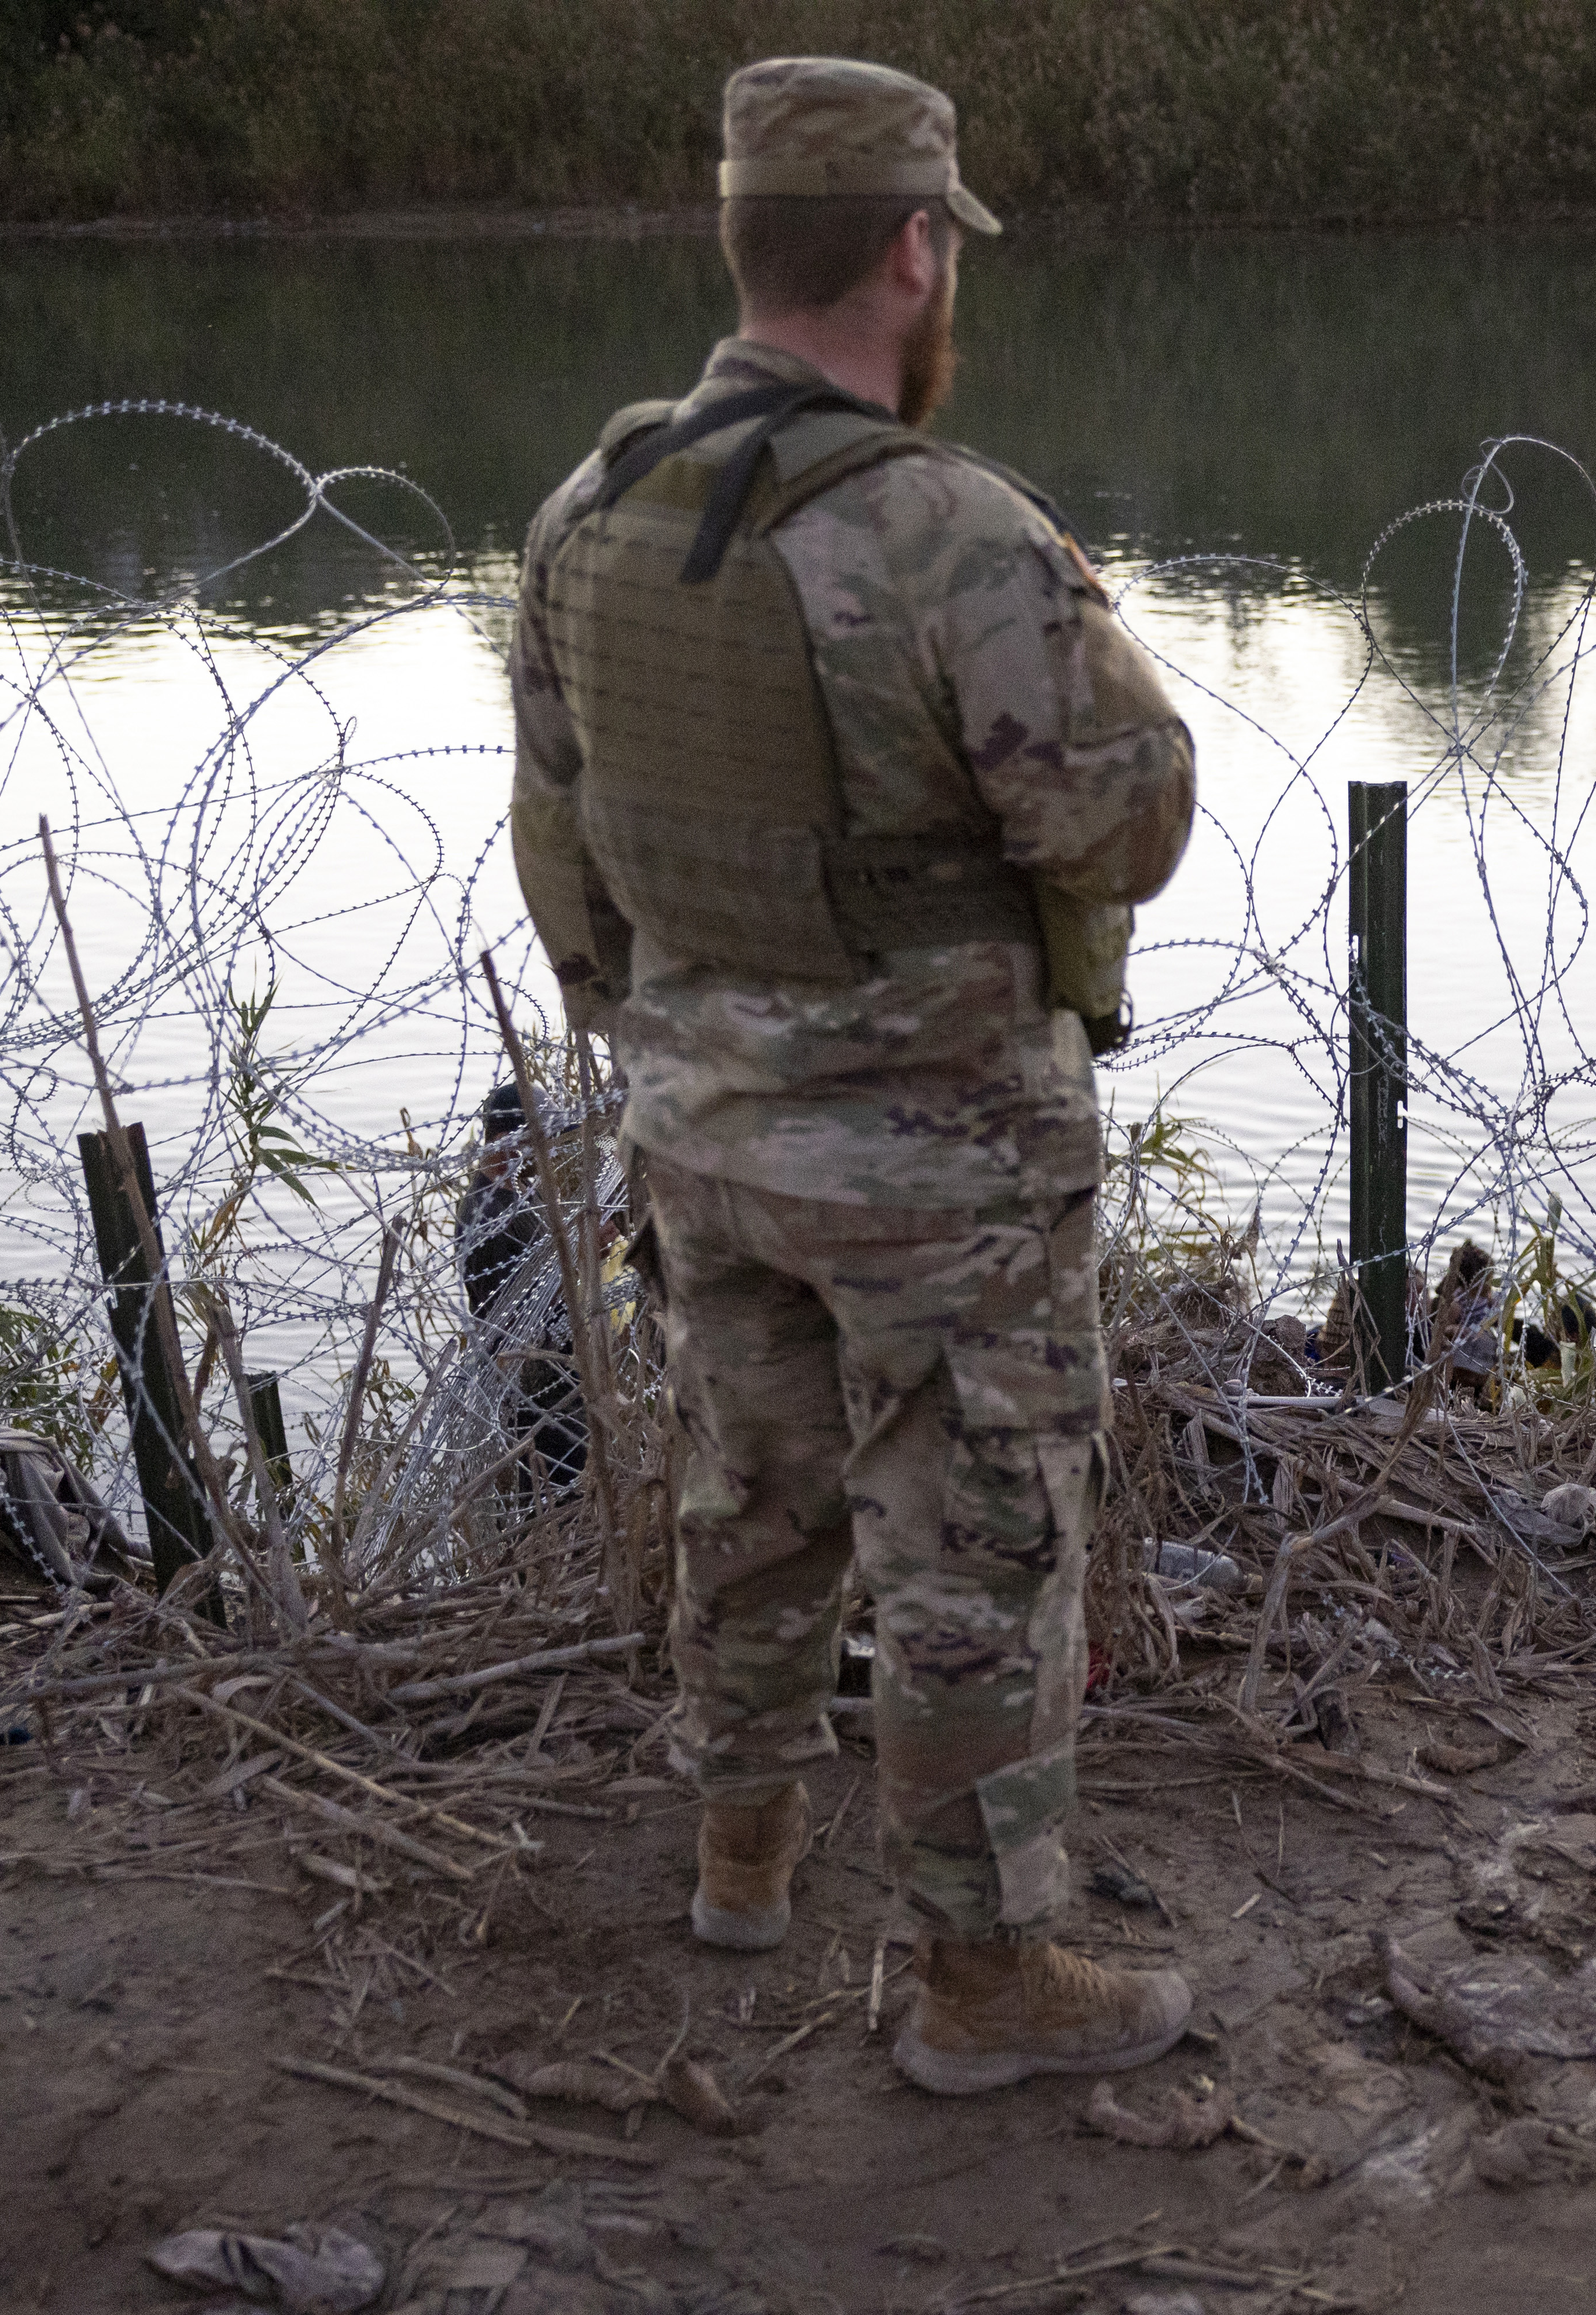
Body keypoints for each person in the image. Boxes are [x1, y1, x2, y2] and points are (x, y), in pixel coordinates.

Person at [509, 58, 1198, 2097]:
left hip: (700, 1124)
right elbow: (1127, 821)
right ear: (915, 252)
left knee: (748, 1491)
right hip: (940, 1167)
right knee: (973, 1551)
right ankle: (984, 1983)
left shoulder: (586, 512)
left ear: (742, 245)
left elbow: (562, 847)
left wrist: (686, 1041)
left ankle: (743, 1852)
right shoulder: (948, 533)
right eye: (943, 247)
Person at [456, 1081, 591, 1498]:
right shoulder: (487, 1216)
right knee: (549, 1503)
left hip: (555, 1381)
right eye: (539, 1138)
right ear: (505, 1140)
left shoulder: (515, 1197)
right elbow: (518, 1313)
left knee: (564, 1494)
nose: (548, 1149)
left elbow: (544, 1278)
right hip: (535, 1391)